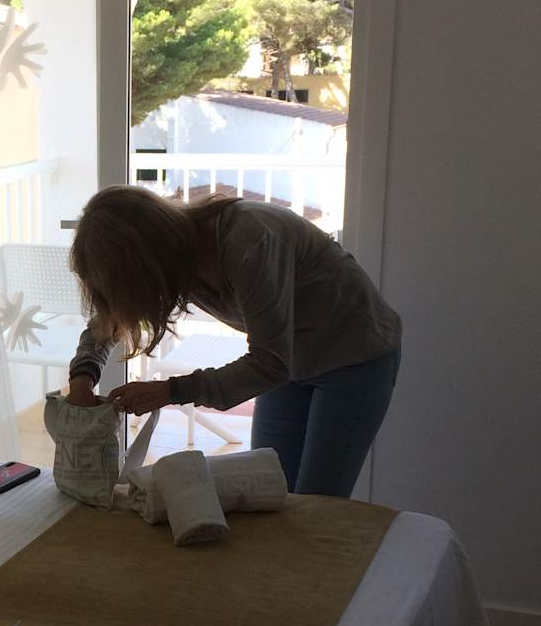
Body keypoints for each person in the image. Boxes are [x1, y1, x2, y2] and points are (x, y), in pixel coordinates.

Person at [65, 186, 402, 499]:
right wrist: (82, 376)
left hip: (354, 357)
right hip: (289, 362)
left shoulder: (250, 241)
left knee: (317, 505)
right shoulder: (176, 255)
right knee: (272, 490)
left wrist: (172, 391)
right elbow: (107, 319)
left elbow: (270, 364)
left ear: (151, 259)